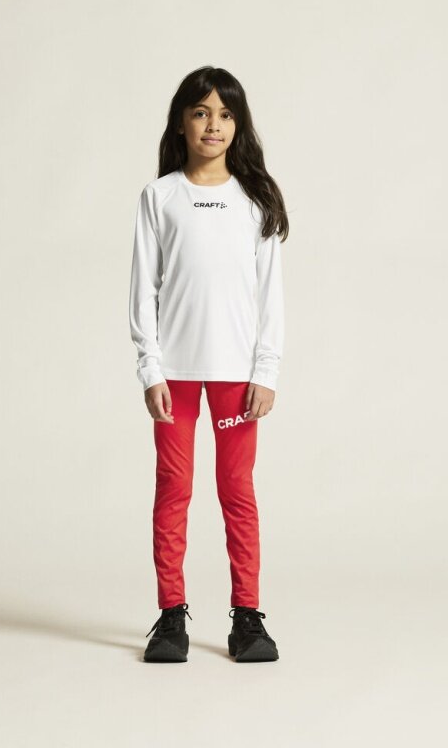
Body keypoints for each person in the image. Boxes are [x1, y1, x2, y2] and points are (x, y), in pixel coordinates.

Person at [128, 66, 288, 663]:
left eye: (224, 114)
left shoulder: (255, 201)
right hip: (175, 373)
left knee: (236, 492)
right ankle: (171, 616)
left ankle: (247, 617)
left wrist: (265, 371)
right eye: (200, 113)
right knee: (173, 490)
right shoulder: (160, 197)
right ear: (181, 122)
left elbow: (270, 294)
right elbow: (143, 289)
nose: (212, 124)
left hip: (236, 377)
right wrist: (150, 369)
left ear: (238, 125)